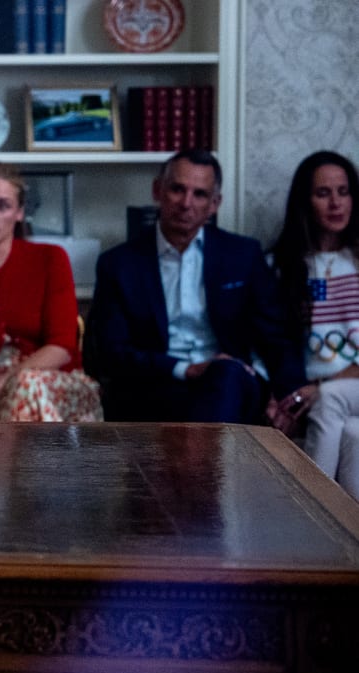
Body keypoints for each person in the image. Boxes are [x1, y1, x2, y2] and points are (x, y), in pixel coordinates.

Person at [85, 149, 307, 423]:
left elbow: (276, 336)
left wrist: (288, 396)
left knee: (225, 376)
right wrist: (185, 369)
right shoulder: (118, 264)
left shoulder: (242, 255)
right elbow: (111, 351)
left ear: (214, 204)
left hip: (229, 382)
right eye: (177, 189)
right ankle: (206, 466)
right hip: (155, 382)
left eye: (199, 194)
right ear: (158, 191)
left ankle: (199, 465)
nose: (186, 203)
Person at [0, 163, 102, 421]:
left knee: (27, 387)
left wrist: (0, 384)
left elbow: (62, 345)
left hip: (60, 390)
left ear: (19, 212)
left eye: (2, 205)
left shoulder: (49, 259)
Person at [270, 150, 359, 498]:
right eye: (323, 193)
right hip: (314, 391)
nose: (336, 203)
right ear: (305, 201)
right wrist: (279, 394)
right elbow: (272, 339)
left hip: (336, 389)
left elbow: (329, 390)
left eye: (343, 191)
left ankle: (311, 507)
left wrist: (321, 386)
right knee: (353, 434)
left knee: (332, 398)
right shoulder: (283, 266)